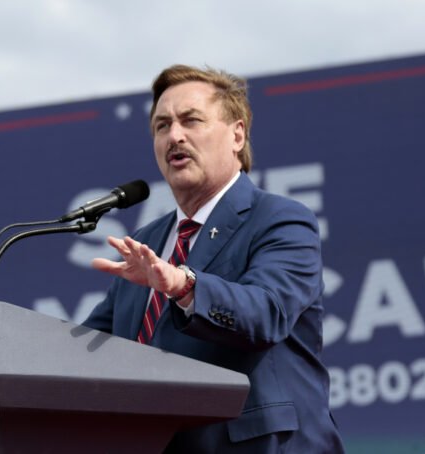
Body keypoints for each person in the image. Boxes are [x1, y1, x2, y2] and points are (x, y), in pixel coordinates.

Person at [83, 64, 344, 453]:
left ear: (237, 135)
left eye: (191, 120)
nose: (175, 135)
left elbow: (267, 313)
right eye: (162, 126)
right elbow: (88, 349)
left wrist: (184, 285)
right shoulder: (146, 242)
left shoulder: (280, 219)